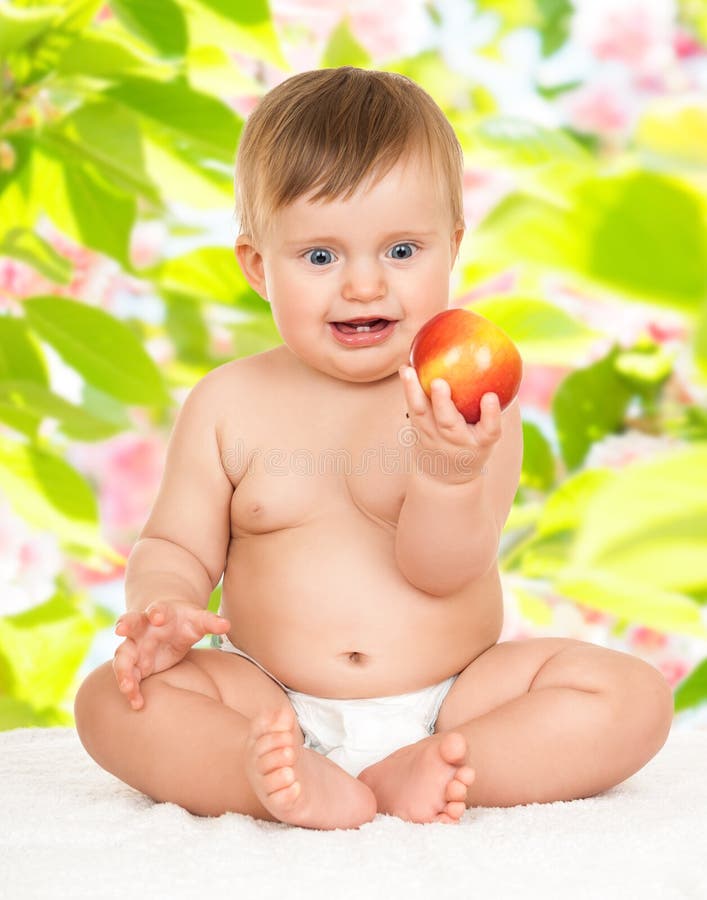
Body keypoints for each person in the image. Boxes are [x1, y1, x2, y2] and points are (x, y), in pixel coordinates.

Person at [74, 66, 674, 831]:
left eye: (400, 250)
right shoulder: (228, 403)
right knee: (111, 702)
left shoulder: (463, 403)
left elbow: (441, 571)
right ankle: (263, 771)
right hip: (270, 697)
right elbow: (174, 545)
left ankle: (440, 764)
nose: (362, 285)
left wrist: (449, 472)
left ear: (451, 247)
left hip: (454, 692)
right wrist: (164, 606)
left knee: (627, 696)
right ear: (259, 265)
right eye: (320, 257)